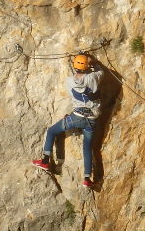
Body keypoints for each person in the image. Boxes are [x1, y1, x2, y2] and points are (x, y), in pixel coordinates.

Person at [32, 53, 104, 188]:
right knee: (87, 147)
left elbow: (75, 97)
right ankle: (87, 178)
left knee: (52, 131)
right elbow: (101, 72)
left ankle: (45, 160)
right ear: (87, 66)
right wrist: (94, 62)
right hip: (92, 118)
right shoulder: (94, 77)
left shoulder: (69, 81)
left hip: (76, 117)